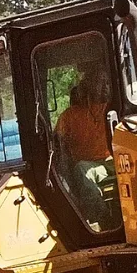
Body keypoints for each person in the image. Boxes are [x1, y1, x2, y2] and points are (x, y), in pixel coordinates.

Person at [52, 71, 120, 228]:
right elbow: (58, 143)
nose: (104, 88)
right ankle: (103, 221)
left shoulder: (113, 108)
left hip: (116, 161)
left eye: (106, 84)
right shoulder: (68, 117)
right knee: (82, 169)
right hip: (91, 166)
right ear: (86, 89)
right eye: (99, 84)